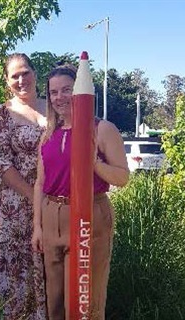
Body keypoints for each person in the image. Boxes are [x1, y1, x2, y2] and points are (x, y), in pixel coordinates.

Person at [31, 65, 129, 320]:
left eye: (67, 90)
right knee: (55, 299)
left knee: (85, 299)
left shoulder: (102, 129)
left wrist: (93, 161)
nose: (59, 97)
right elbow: (40, 183)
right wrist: (37, 227)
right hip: (52, 215)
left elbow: (122, 177)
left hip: (89, 215)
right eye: (54, 92)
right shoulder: (49, 132)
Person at [0, 53, 47, 319]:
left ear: (35, 73)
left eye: (26, 72)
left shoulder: (55, 107)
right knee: (16, 267)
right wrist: (35, 197)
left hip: (56, 200)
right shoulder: (1, 114)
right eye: (15, 75)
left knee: (49, 261)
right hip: (16, 205)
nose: (21, 79)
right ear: (7, 81)